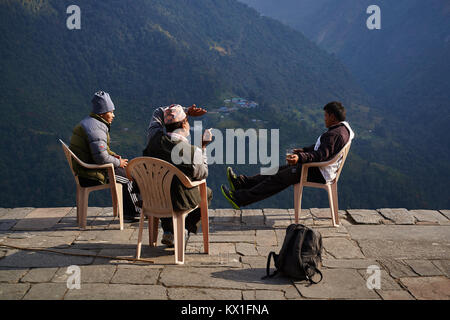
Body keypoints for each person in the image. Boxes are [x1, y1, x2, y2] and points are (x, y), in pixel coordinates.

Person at [221, 101, 355, 209]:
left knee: (277, 179)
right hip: (319, 169)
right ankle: (242, 183)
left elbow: (320, 155)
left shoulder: (333, 134)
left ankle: (239, 199)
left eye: (326, 116)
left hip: (318, 172)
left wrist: (300, 158)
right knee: (277, 171)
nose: (324, 119)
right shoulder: (343, 130)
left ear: (332, 117)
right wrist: (302, 151)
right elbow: (320, 148)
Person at [143, 104, 213, 247]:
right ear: (184, 124)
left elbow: (157, 111)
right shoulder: (192, 152)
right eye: (187, 120)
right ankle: (184, 229)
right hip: (177, 200)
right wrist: (203, 147)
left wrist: (183, 111)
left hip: (152, 198)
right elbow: (203, 173)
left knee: (166, 187)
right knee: (207, 192)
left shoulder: (153, 138)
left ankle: (168, 230)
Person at [70, 91, 141, 221]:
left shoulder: (91, 123)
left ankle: (133, 209)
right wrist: (118, 163)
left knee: (126, 170)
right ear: (102, 113)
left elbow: (102, 151)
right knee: (129, 177)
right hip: (90, 173)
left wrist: (114, 157)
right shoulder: (96, 128)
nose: (113, 115)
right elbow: (101, 158)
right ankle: (134, 212)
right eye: (111, 112)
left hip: (87, 169)